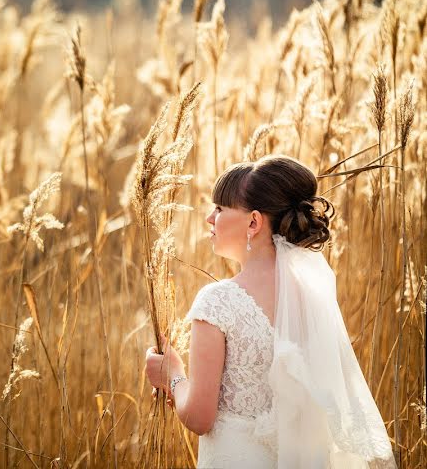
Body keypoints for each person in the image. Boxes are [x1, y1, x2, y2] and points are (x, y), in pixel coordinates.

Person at [144, 154, 396, 468]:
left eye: (220, 208)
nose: (210, 218)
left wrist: (174, 376)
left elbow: (199, 417)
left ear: (253, 222)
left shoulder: (218, 301)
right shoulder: (309, 299)